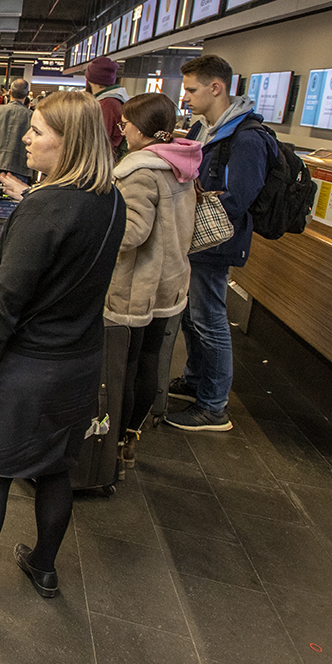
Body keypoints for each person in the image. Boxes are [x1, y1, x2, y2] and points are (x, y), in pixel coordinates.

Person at [0, 90, 125, 611]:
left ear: (69, 143)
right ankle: (43, 566)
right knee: (55, 469)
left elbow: (4, 299)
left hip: (26, 367)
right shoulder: (111, 201)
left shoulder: (42, 209)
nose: (25, 137)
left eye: (38, 131)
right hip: (78, 362)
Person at [167, 55, 273, 432]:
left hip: (215, 243)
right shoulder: (208, 130)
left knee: (210, 319)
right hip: (198, 241)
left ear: (217, 88)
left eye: (193, 90)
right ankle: (196, 382)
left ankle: (213, 405)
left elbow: (237, 196)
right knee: (195, 318)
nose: (187, 98)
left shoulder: (245, 137)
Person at [104, 93, 200, 470]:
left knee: (122, 368)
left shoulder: (141, 172)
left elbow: (130, 234)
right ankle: (130, 441)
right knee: (149, 362)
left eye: (125, 123)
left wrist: (98, 225)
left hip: (136, 284)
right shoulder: (181, 166)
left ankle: (110, 445)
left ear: (143, 130)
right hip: (169, 282)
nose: (120, 128)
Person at [0, 78, 34, 185]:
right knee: (15, 200)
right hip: (21, 167)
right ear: (27, 94)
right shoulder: (31, 116)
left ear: (9, 92)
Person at [85, 56, 128, 156]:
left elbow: (99, 142)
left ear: (90, 80)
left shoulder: (106, 105)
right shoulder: (117, 100)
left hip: (104, 162)